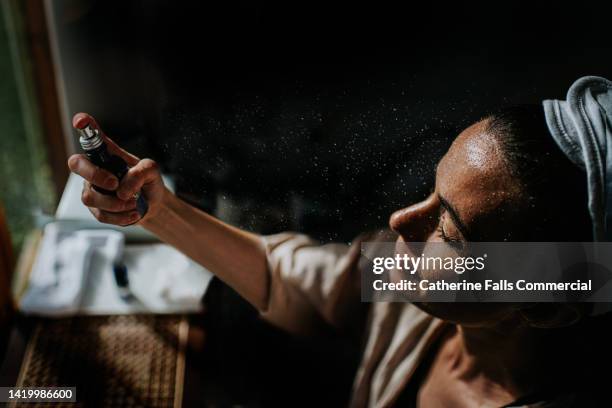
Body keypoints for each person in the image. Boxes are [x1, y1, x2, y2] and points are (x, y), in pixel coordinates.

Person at [67, 77, 612, 407]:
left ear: (549, 303)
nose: (402, 220)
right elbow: (287, 279)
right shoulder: (426, 307)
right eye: (431, 191)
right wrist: (158, 212)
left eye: (451, 230)